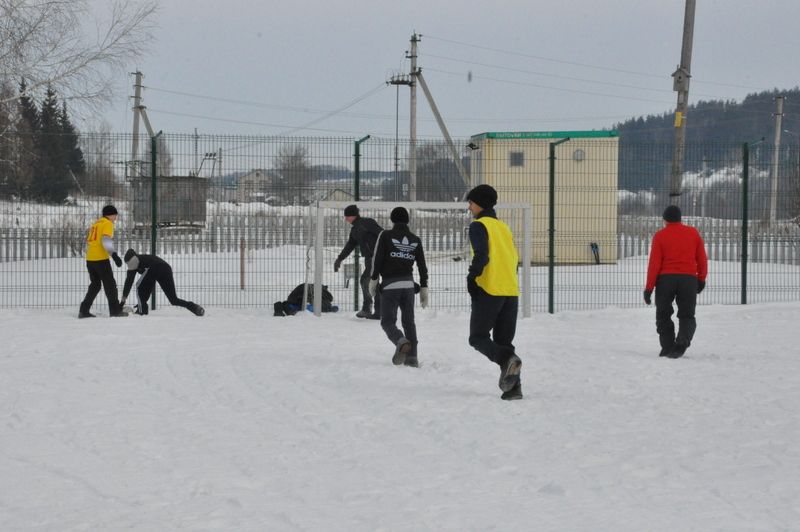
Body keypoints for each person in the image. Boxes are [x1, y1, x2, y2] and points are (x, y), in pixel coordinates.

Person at [466, 184, 523, 400]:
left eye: (471, 202)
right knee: (505, 343)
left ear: (479, 204)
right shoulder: (503, 227)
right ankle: (514, 389)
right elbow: (514, 259)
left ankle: (506, 361)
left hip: (490, 288)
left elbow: (482, 255)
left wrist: (472, 278)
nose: (469, 207)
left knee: (477, 337)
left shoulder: (479, 226)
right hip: (511, 290)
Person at [644, 205, 708, 359]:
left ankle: (667, 346)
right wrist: (701, 279)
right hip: (688, 280)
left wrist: (649, 288)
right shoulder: (693, 233)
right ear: (680, 218)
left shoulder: (660, 236)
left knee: (663, 314)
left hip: (665, 280)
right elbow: (702, 258)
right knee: (687, 315)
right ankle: (681, 343)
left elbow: (654, 264)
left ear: (665, 219)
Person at [368, 206, 428, 367]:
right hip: (409, 286)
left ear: (392, 220)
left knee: (387, 322)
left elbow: (377, 259)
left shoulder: (386, 235)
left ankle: (400, 341)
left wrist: (373, 280)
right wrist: (424, 287)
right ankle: (412, 357)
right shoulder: (415, 239)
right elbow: (422, 266)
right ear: (408, 220)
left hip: (390, 286)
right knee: (409, 322)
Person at [120, 248, 205, 316]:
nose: (129, 266)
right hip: (166, 268)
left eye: (129, 263)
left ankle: (142, 312)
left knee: (139, 287)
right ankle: (194, 307)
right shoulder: (137, 264)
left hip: (159, 268)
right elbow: (133, 283)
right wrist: (126, 301)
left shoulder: (143, 260)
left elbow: (136, 283)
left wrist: (126, 301)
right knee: (174, 300)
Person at [333, 204, 383, 319]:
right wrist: (339, 258)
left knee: (366, 280)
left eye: (347, 216)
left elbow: (382, 233)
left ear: (353, 215)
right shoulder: (355, 229)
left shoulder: (367, 222)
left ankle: (370, 309)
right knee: (371, 282)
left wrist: (383, 250)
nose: (345, 219)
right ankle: (377, 310)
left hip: (376, 256)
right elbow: (350, 245)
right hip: (369, 258)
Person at [79, 204, 127, 318]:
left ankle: (83, 310)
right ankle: (115, 311)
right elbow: (105, 240)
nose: (116, 218)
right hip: (101, 259)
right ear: (110, 215)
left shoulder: (96, 224)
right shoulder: (107, 223)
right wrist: (114, 255)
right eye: (115, 216)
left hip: (90, 259)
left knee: (95, 285)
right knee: (110, 285)